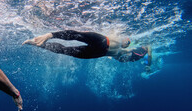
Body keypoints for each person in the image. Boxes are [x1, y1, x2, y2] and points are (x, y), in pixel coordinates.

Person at [23, 30, 152, 67]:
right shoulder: (122, 38)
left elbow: (124, 54)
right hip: (102, 42)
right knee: (78, 36)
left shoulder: (126, 54)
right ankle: (49, 35)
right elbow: (126, 40)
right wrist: (50, 35)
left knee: (65, 50)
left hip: (99, 52)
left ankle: (39, 44)